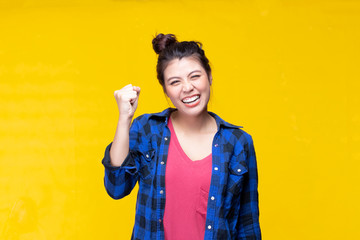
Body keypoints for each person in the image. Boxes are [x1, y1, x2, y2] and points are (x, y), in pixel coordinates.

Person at [101, 33, 261, 240]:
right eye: (175, 82)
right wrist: (125, 118)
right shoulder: (148, 130)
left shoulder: (238, 142)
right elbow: (116, 187)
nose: (187, 88)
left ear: (209, 76)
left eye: (195, 76)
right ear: (166, 91)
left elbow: (248, 226)